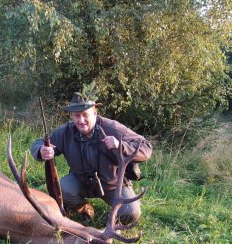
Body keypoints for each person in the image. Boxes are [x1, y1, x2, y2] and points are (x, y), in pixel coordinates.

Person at [30, 91, 152, 225]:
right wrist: (41, 150)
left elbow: (146, 148)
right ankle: (84, 208)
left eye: (85, 115)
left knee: (131, 213)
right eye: (77, 116)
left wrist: (120, 146)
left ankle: (113, 222)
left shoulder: (112, 128)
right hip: (81, 181)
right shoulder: (65, 132)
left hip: (113, 185)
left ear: (94, 113)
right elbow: (39, 143)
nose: (81, 121)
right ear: (72, 116)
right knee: (60, 189)